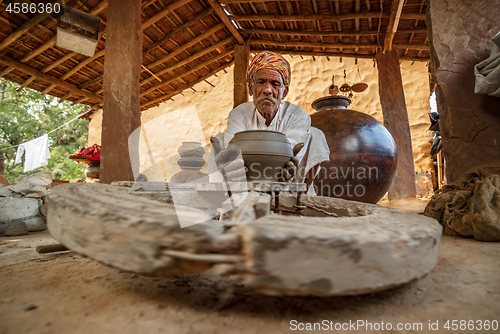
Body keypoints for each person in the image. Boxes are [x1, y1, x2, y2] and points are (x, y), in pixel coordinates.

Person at [209, 51, 330, 192]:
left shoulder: (297, 116)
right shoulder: (239, 114)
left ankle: (300, 199)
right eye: (261, 82)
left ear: (284, 93)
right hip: (246, 175)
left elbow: (288, 155)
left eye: (275, 84)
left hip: (284, 179)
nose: (267, 90)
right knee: (220, 141)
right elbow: (234, 152)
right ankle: (225, 199)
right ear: (250, 88)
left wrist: (283, 166)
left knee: (316, 135)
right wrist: (231, 165)